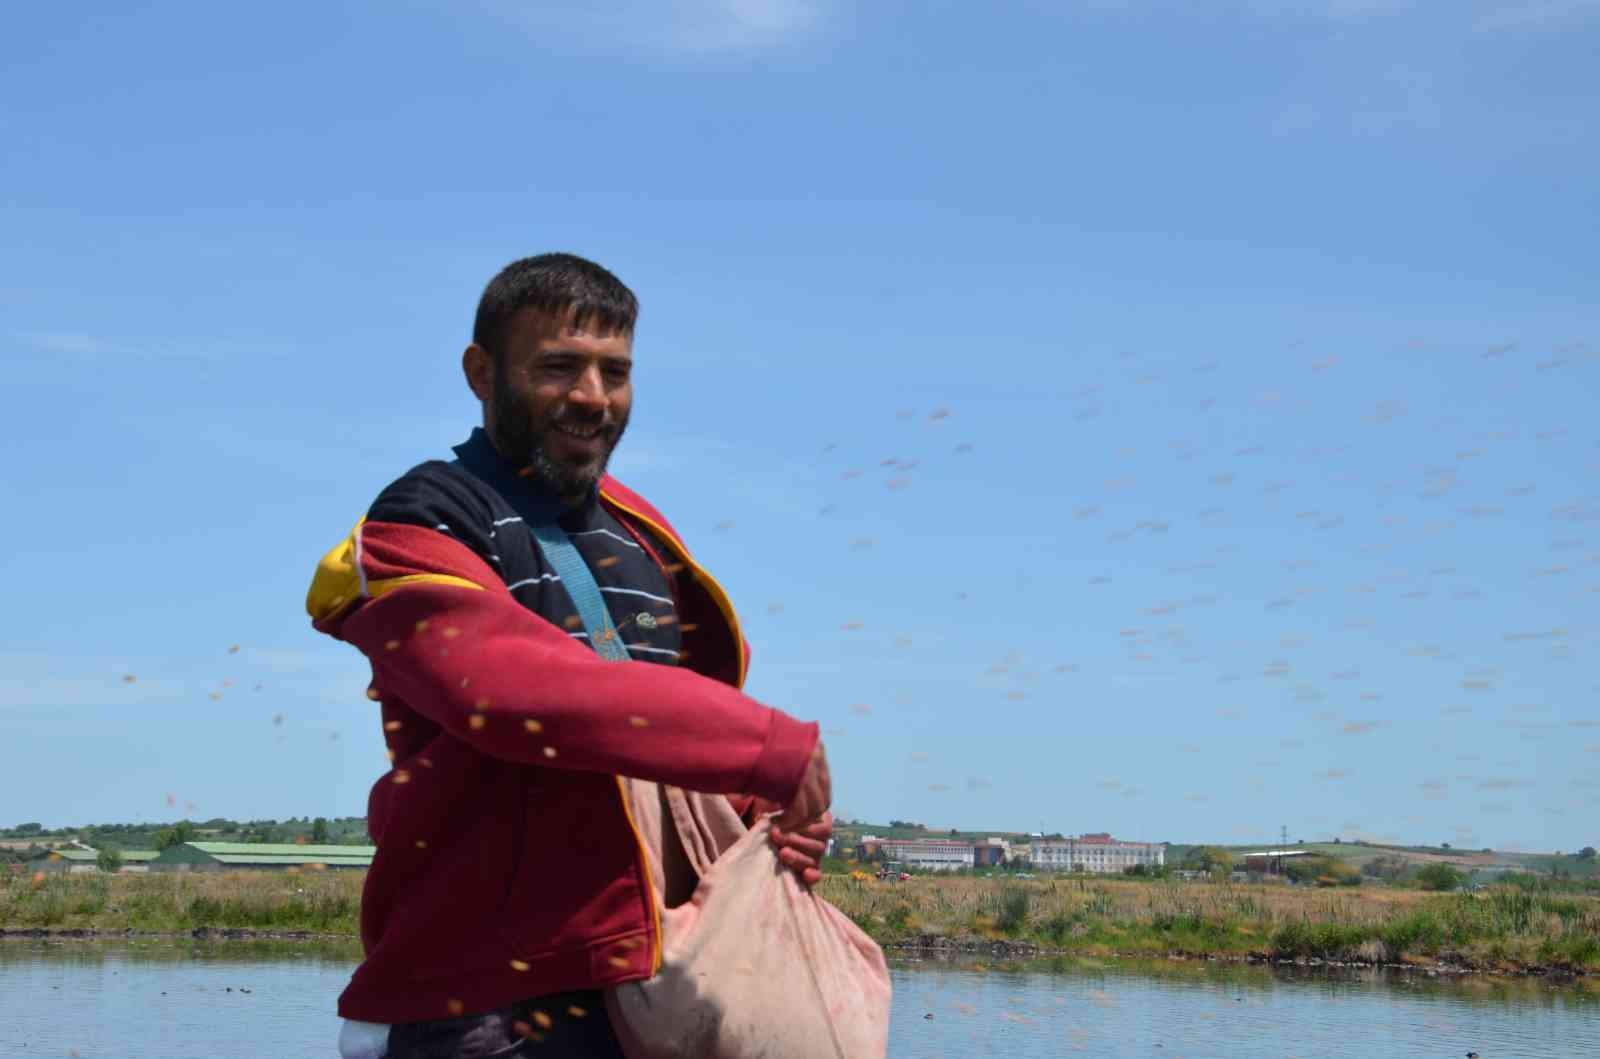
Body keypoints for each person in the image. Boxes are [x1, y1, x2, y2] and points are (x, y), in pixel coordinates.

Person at [307, 253, 834, 1058]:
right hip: (479, 1001)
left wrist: (765, 813)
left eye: (614, 372)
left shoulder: (641, 537)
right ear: (481, 372)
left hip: (652, 982)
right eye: (559, 366)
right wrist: (772, 748)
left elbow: (668, 738)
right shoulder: (423, 517)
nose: (592, 396)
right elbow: (509, 692)